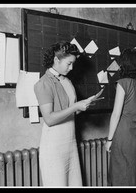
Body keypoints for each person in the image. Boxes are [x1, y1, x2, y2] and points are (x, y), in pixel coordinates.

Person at [34, 41, 95, 186]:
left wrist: (81, 106)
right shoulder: (43, 84)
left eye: (73, 63)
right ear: (56, 60)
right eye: (69, 63)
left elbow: (68, 111)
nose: (72, 67)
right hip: (54, 147)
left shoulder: (67, 81)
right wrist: (75, 107)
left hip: (70, 143)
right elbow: (49, 119)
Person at [105, 48, 136, 186]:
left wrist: (109, 139)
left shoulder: (123, 83)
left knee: (121, 175)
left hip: (124, 136)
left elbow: (116, 114)